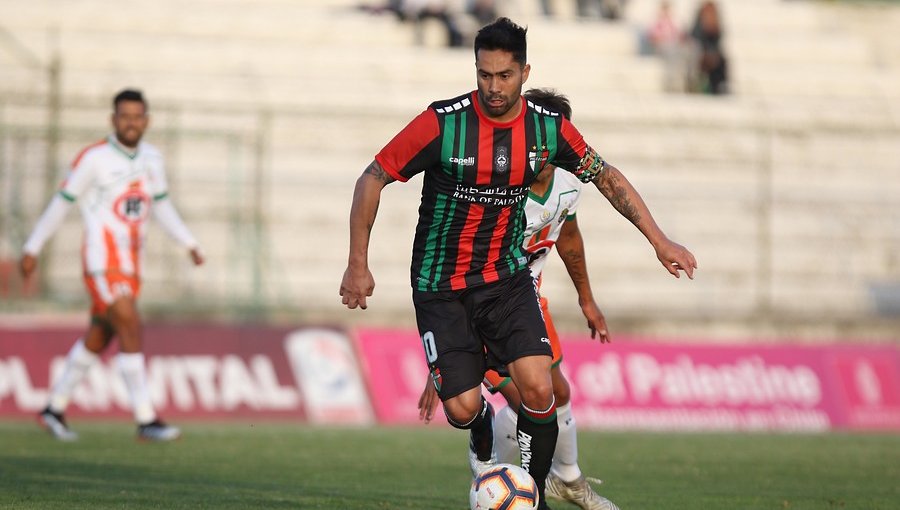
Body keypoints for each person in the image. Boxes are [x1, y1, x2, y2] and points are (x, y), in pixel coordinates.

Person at [340, 17, 696, 508]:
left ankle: (534, 496)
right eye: (484, 75)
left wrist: (659, 240)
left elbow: (605, 177)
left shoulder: (547, 130)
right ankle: (481, 431)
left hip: (505, 280)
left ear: (525, 72)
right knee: (463, 409)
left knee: (540, 386)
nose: (492, 87)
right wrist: (358, 263)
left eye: (503, 75)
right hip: (440, 285)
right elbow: (372, 177)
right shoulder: (443, 123)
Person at [418, 88, 621, 510]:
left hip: (527, 301)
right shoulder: (498, 191)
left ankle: (561, 480)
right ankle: (498, 475)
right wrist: (439, 369)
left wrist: (587, 299)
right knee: (523, 400)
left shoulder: (568, 182)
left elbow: (568, 236)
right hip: (482, 307)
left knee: (555, 393)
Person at [20, 89, 203, 442]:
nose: (131, 123)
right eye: (124, 116)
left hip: (134, 264)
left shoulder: (152, 158)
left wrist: (188, 243)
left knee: (100, 335)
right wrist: (33, 246)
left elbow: (161, 205)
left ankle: (53, 408)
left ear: (146, 121)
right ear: (113, 119)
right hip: (101, 262)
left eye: (137, 117)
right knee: (129, 322)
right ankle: (146, 418)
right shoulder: (94, 158)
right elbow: (62, 203)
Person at [689, 0, 728, 94]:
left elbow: (718, 40)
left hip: (713, 52)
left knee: (721, 60)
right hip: (701, 51)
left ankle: (719, 85)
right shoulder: (699, 22)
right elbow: (694, 36)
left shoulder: (716, 24)